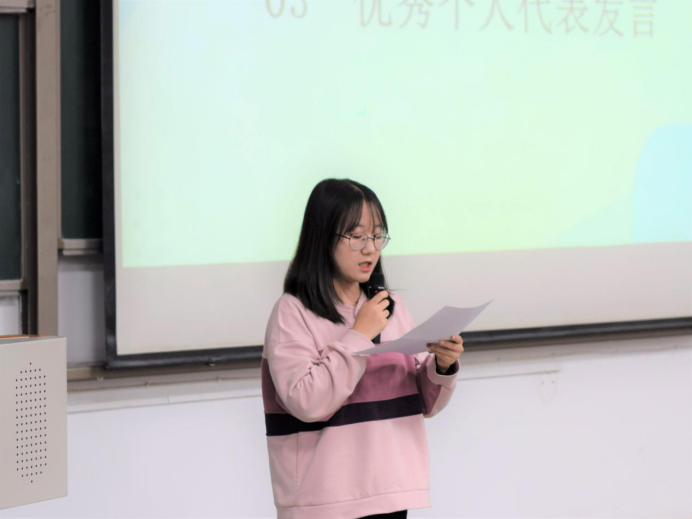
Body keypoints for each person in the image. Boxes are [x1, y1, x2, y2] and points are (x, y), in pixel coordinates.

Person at [261, 178, 464, 519]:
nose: (371, 249)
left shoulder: (389, 306)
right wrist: (359, 335)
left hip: (391, 491)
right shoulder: (292, 312)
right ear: (322, 237)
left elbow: (422, 402)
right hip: (324, 501)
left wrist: (441, 367)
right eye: (357, 237)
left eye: (378, 236)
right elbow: (306, 402)